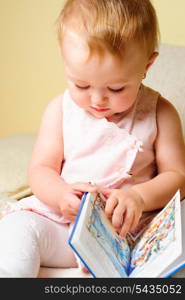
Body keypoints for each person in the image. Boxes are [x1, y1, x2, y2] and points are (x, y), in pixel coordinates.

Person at [0, 0, 185, 278]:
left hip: (133, 233)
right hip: (67, 226)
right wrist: (60, 194)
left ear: (147, 64)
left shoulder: (160, 112)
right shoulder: (59, 110)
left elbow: (178, 175)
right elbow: (41, 169)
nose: (98, 100)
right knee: (18, 229)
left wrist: (138, 197)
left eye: (116, 87)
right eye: (81, 85)